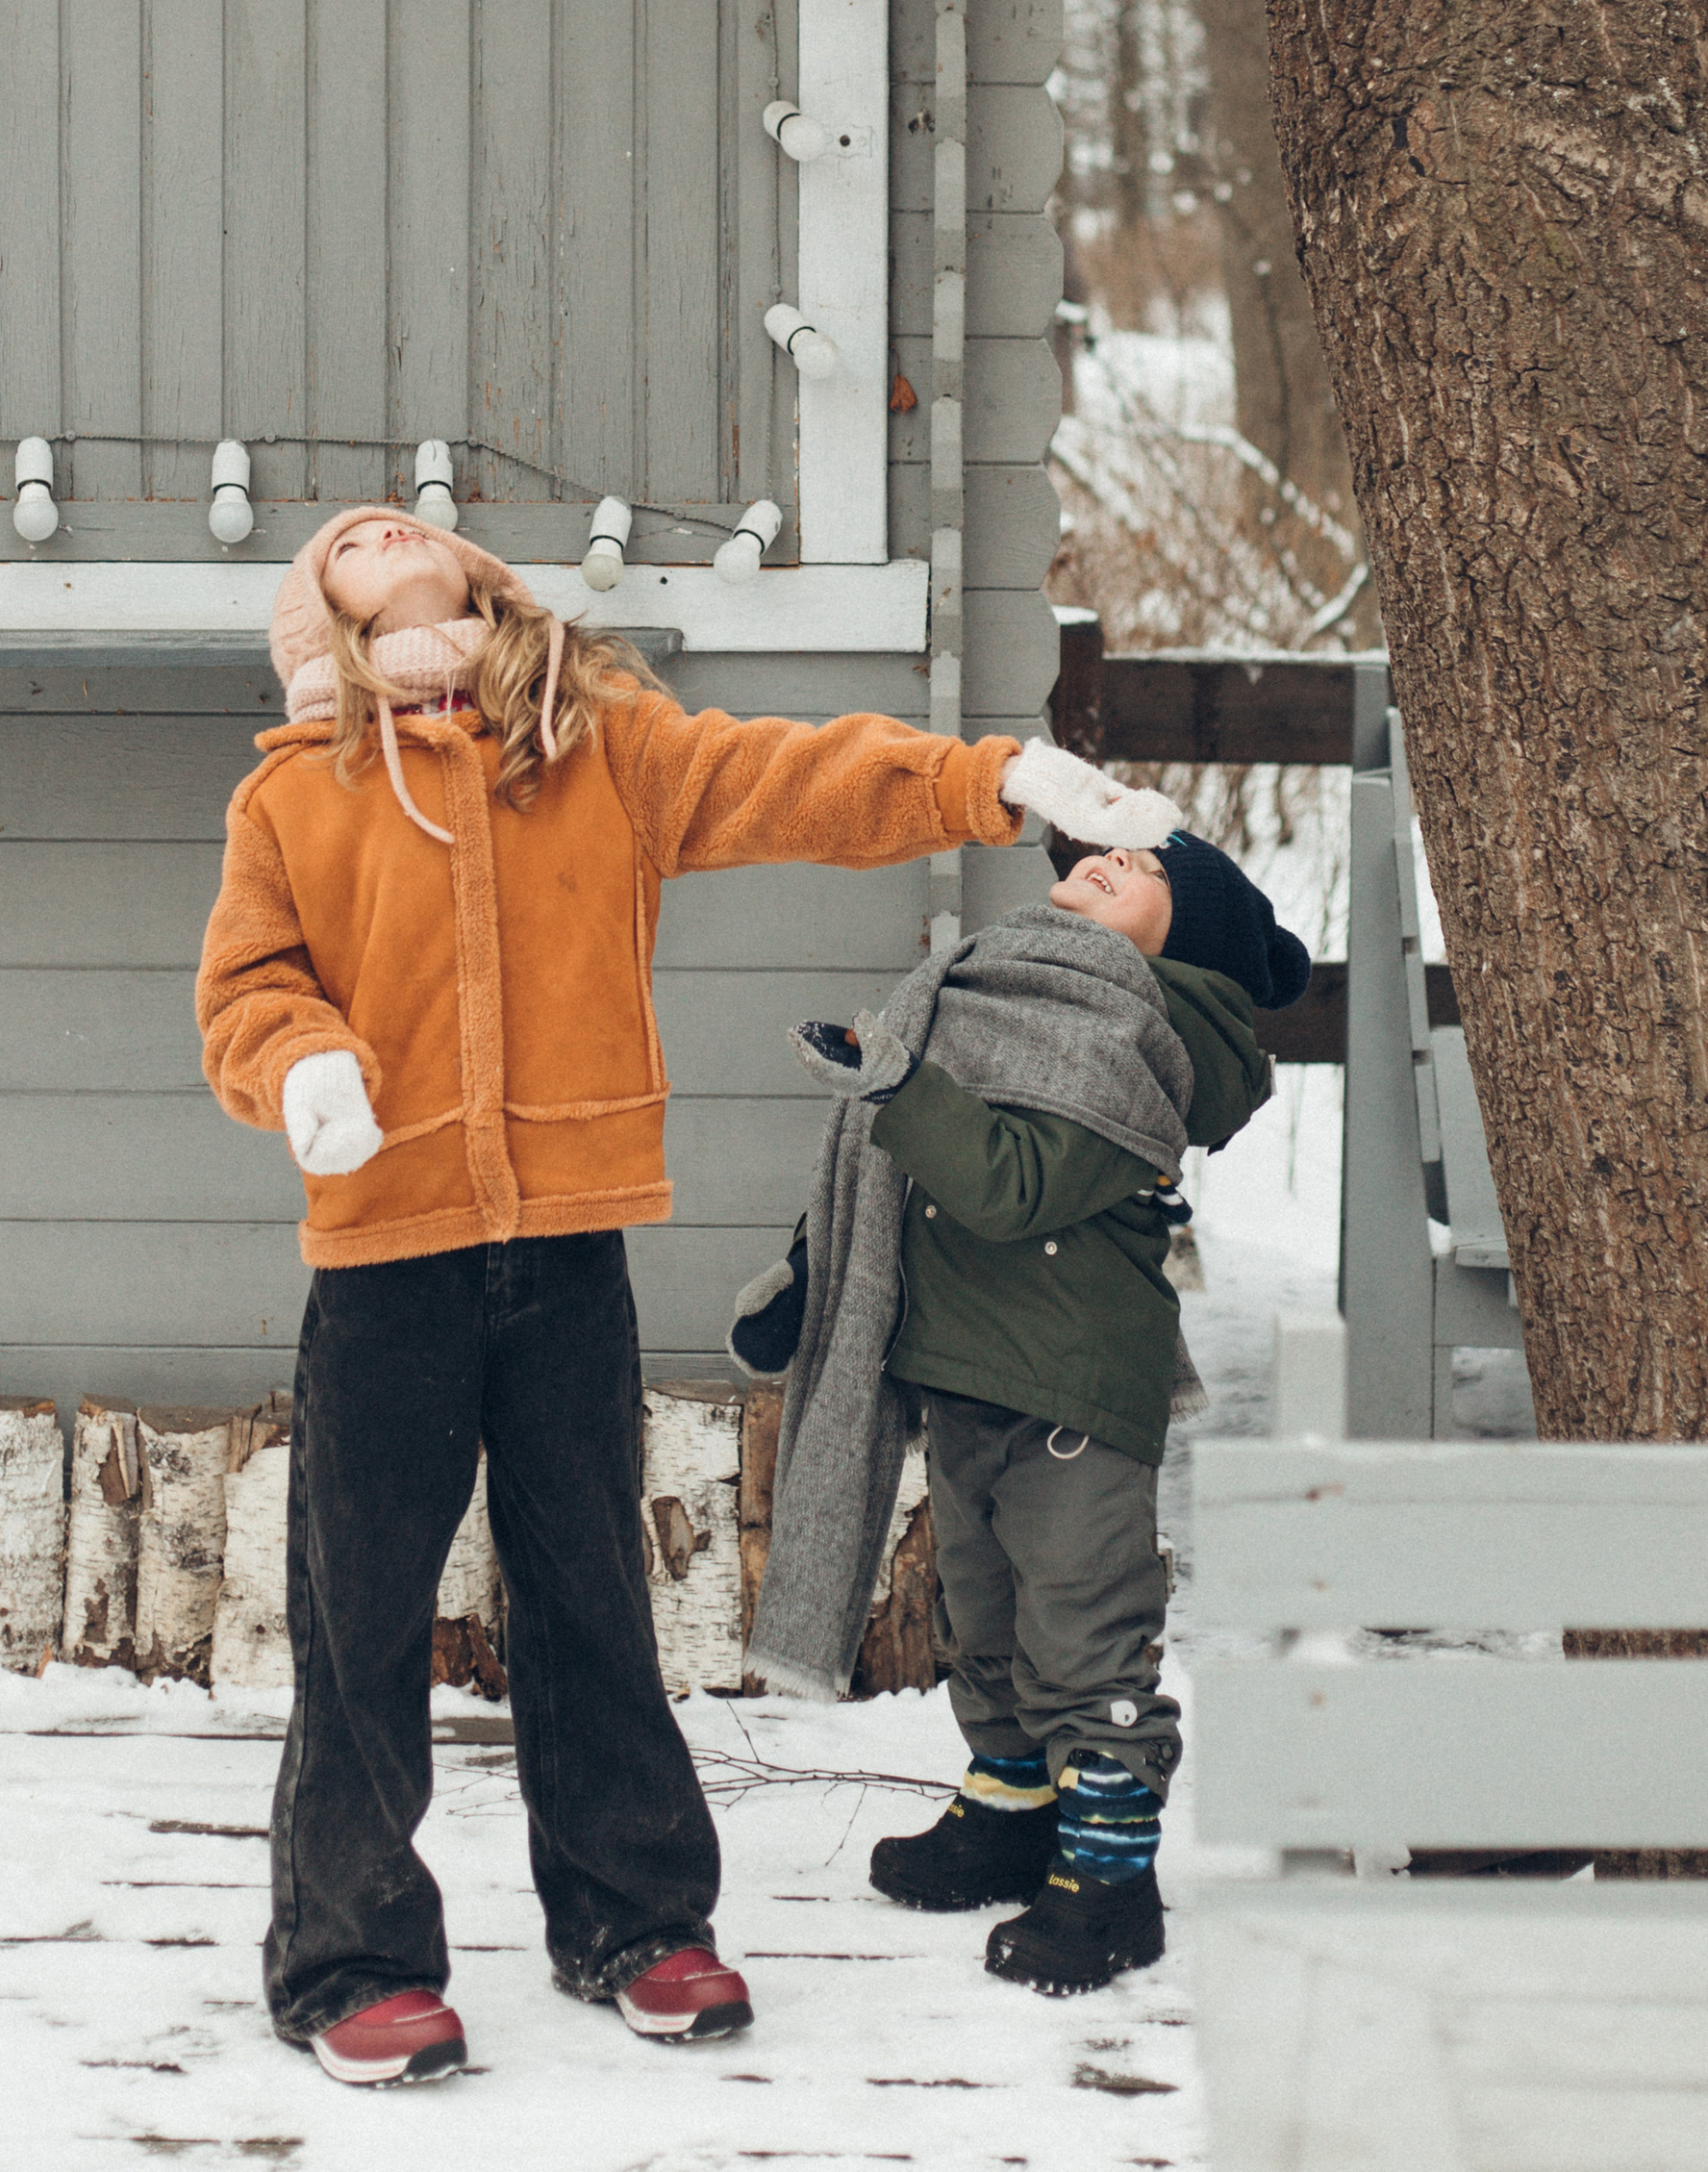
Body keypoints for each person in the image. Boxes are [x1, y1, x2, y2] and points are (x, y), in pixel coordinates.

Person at [193, 499, 1168, 2088]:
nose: (376, 529)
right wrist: (302, 1063)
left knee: (591, 1597)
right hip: (383, 1260)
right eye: (344, 543)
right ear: (322, 618)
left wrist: (991, 780)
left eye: (402, 522)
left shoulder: (591, 748)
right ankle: (349, 1960)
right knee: (359, 1621)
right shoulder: (294, 795)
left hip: (566, 1250)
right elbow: (249, 987)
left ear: (476, 576)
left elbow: (795, 779)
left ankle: (636, 1924)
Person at [733, 818, 1297, 1996]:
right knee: (980, 1619)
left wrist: (897, 1083)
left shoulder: (1142, 1040)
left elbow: (1008, 1183)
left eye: (1151, 868)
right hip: (962, 1368)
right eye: (1117, 849)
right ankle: (1008, 1812)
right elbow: (889, 1171)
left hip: (1071, 1381)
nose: (1113, 856)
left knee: (1084, 1628)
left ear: (1187, 935)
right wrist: (810, 1274)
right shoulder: (1002, 989)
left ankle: (1111, 1878)